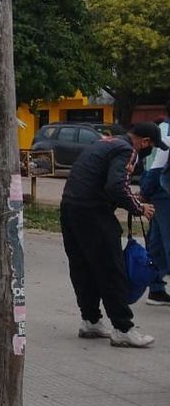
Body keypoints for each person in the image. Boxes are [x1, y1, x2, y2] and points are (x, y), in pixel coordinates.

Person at [60, 122, 164, 348]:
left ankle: (91, 320)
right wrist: (139, 207)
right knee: (111, 268)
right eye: (152, 146)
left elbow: (104, 180)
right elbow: (115, 186)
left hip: (70, 207)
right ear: (145, 142)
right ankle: (123, 328)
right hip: (93, 212)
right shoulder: (128, 150)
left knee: (83, 267)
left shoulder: (104, 141)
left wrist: (128, 197)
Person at [138, 104, 170, 306]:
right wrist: (145, 192)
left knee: (157, 242)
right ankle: (156, 288)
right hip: (162, 193)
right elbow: (157, 167)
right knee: (165, 241)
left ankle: (156, 289)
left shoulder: (163, 130)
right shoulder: (166, 132)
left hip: (156, 191)